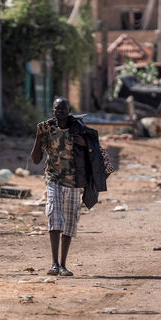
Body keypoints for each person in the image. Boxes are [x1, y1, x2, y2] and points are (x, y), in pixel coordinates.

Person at [31, 97, 113, 277]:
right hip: (54, 179)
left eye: (63, 108)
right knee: (54, 216)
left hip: (75, 182)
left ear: (68, 110)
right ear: (52, 110)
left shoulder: (79, 130)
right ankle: (53, 264)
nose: (60, 111)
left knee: (69, 223)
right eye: (57, 108)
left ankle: (63, 265)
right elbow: (36, 159)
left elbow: (95, 148)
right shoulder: (47, 130)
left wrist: (84, 144)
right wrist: (38, 136)